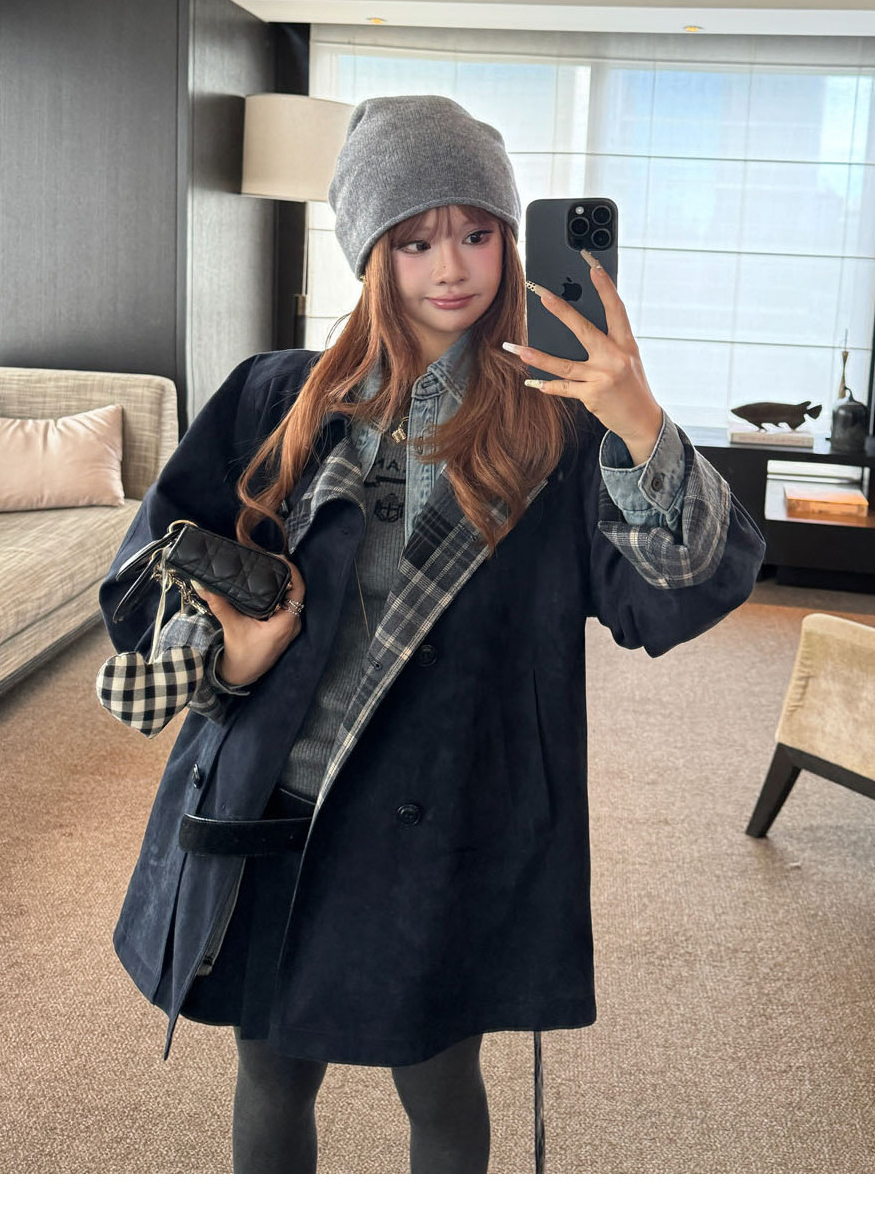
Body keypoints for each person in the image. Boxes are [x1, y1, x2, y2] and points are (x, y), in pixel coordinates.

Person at [97, 95, 766, 1173]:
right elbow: (149, 577)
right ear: (372, 253)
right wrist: (229, 656)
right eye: (414, 240)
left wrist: (639, 421)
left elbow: (674, 596)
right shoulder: (277, 396)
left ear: (510, 239)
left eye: (476, 232)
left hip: (453, 807)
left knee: (441, 1081)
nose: (450, 267)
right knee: (272, 1069)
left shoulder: (557, 423)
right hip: (284, 795)